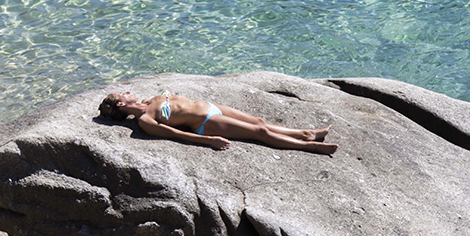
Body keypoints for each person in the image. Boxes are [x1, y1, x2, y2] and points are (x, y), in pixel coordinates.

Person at [98, 92, 338, 155]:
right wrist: (208, 141)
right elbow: (176, 134)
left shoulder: (150, 99)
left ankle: (304, 133)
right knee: (260, 132)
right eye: (123, 94)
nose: (128, 92)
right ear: (121, 105)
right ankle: (310, 146)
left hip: (211, 106)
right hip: (207, 122)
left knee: (259, 120)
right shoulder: (146, 121)